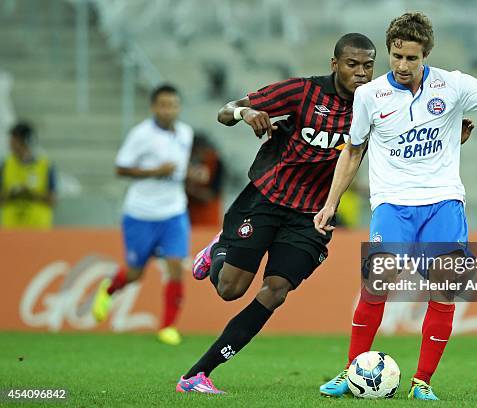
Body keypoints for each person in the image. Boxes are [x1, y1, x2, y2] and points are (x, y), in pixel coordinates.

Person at [314, 12, 477, 400]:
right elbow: (353, 152)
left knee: (444, 290)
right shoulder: (369, 96)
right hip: (392, 205)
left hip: (443, 204)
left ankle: (422, 382)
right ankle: (352, 373)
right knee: (377, 285)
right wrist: (330, 203)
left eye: (411, 58)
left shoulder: (453, 86)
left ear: (426, 56)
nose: (402, 65)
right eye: (396, 56)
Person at [175, 33, 378, 395]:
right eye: (352, 65)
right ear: (335, 65)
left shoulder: (376, 104)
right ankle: (219, 248)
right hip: (267, 199)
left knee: (276, 290)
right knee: (230, 289)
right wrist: (246, 112)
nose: (361, 73)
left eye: (367, 66)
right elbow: (225, 110)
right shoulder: (302, 92)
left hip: (312, 215)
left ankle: (197, 374)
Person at [92, 84, 194, 346]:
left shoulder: (185, 133)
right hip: (141, 213)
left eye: (172, 104)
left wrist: (193, 175)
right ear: (153, 107)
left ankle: (167, 327)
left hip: (174, 211)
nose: (168, 110)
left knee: (174, 266)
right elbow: (121, 169)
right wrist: (154, 172)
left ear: (178, 107)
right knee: (136, 273)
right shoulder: (141, 134)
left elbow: (178, 171)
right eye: (163, 105)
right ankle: (109, 288)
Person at [0, 122, 56, 229]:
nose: (10, 143)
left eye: (14, 139)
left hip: (38, 229)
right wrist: (13, 193)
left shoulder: (45, 165)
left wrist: (30, 193)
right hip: (11, 229)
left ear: (26, 141)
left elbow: (52, 200)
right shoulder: (5, 165)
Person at [186, 132, 224, 227]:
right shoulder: (183, 162)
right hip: (189, 218)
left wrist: (191, 191)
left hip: (208, 218)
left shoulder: (215, 162)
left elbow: (212, 195)